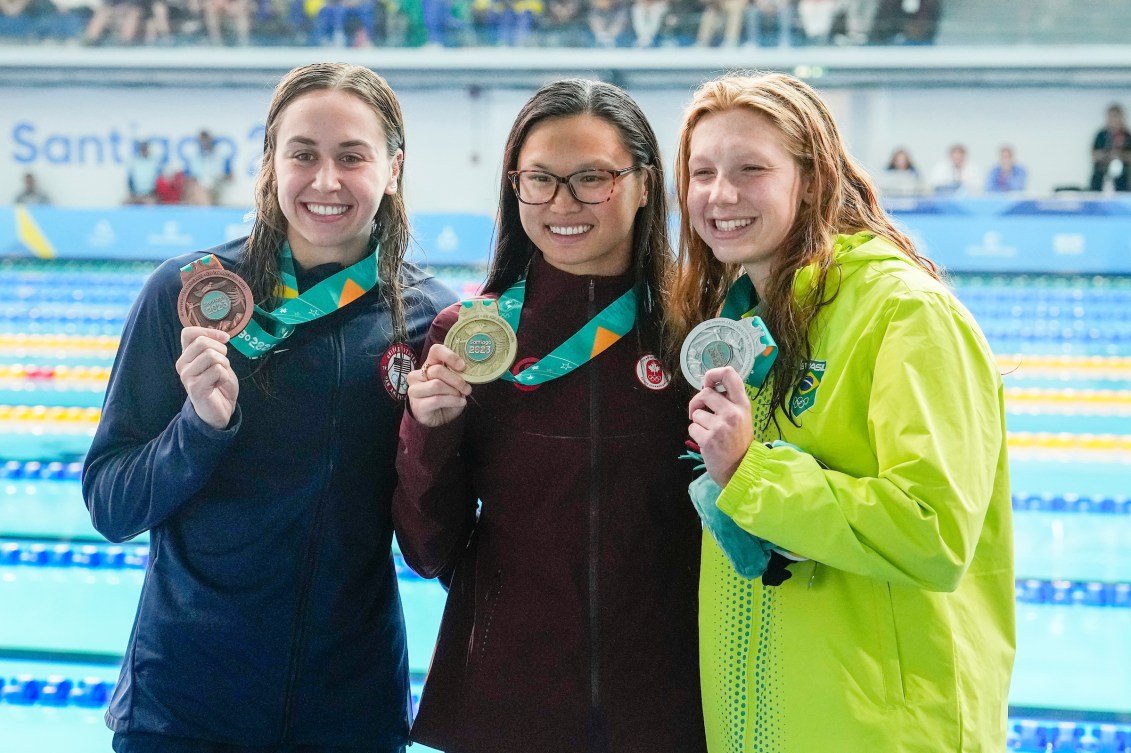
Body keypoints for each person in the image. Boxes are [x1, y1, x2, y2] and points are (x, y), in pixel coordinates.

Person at [82, 62, 456, 753]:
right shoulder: (189, 296)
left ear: (393, 167)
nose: (325, 181)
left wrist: (436, 438)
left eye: (352, 157)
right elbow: (111, 504)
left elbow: (437, 541)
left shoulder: (431, 321)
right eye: (303, 154)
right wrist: (198, 430)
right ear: (271, 161)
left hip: (349, 710)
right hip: (185, 706)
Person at [668, 72, 1014, 753]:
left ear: (814, 177)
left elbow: (932, 531)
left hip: (886, 729)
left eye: (750, 169)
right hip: (766, 722)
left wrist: (749, 472)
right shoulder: (740, 321)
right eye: (701, 171)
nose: (719, 194)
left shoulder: (902, 311)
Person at [393, 79, 706, 753]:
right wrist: (430, 431)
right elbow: (426, 548)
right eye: (539, 179)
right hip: (511, 702)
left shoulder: (695, 332)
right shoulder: (470, 337)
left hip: (669, 704)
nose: (562, 203)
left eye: (592, 177)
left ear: (645, 183)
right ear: (515, 186)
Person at [1089, 103, 1131, 192]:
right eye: (1110, 116)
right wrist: (1107, 155)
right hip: (1101, 174)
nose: (1113, 120)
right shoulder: (1101, 135)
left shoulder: (1127, 136)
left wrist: (1120, 155)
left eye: (1115, 116)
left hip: (1123, 177)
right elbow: (1093, 154)